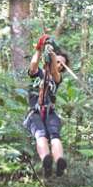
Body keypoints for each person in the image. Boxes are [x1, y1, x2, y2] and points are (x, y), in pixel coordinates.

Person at [23, 35, 69, 178]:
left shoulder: (57, 79)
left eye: (62, 64)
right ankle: (46, 161)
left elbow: (55, 72)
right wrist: (39, 48)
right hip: (35, 112)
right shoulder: (38, 74)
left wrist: (53, 56)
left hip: (50, 112)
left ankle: (59, 161)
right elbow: (33, 66)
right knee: (40, 135)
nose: (60, 65)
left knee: (55, 136)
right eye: (58, 62)